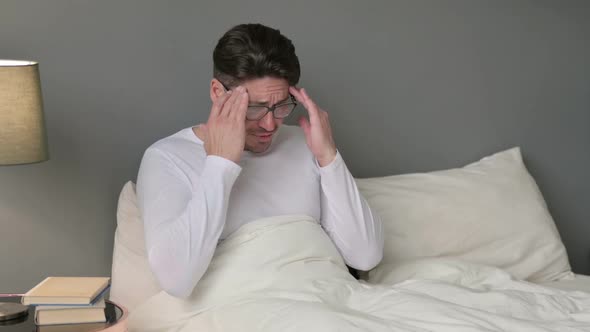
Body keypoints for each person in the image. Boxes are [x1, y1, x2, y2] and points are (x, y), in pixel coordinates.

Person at [136, 23, 383, 299]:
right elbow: (175, 280)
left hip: (326, 298)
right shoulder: (167, 157)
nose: (269, 124)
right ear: (218, 93)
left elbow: (365, 256)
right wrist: (220, 164)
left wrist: (329, 157)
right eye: (255, 108)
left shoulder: (305, 144)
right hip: (244, 307)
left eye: (281, 107)